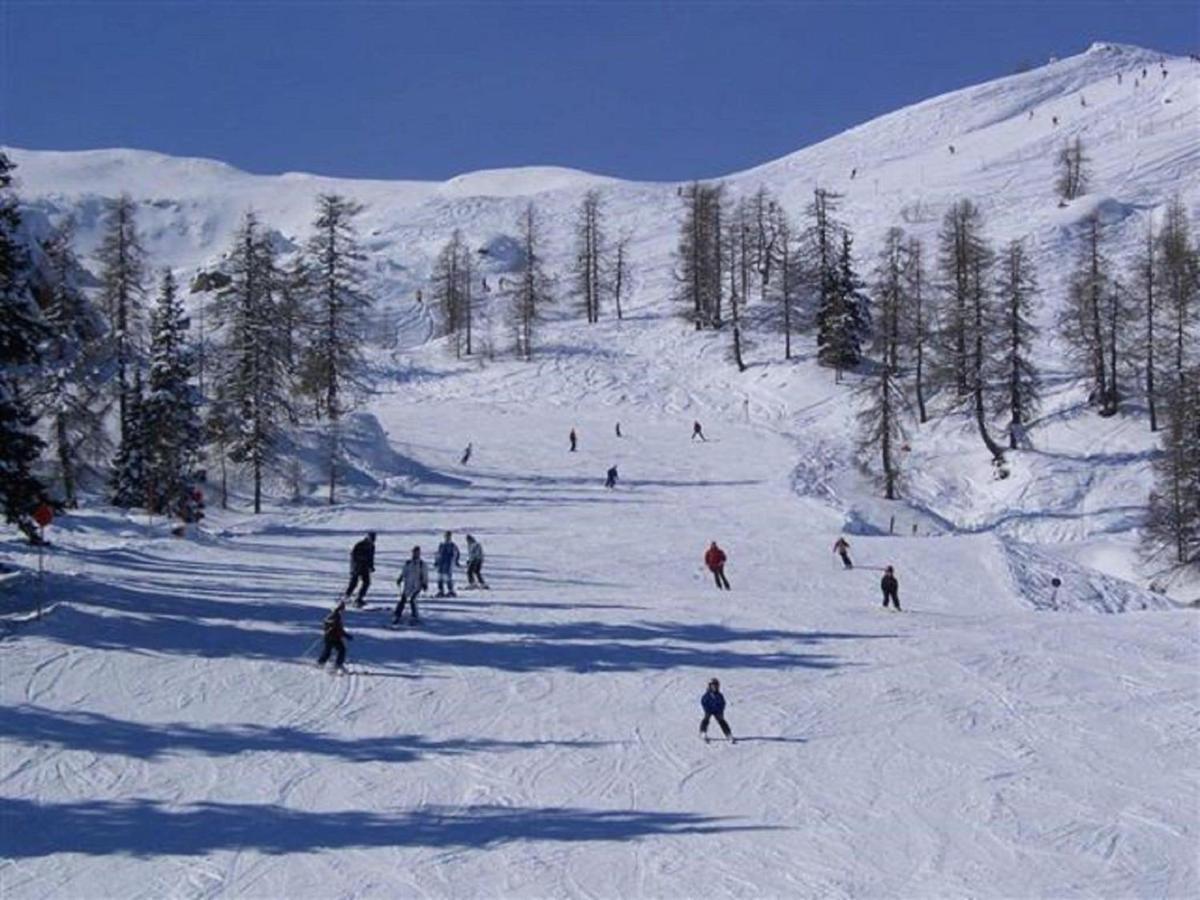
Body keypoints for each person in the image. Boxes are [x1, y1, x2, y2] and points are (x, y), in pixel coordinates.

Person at [394, 546, 428, 625]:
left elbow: (425, 575)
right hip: (408, 585)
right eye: (414, 552)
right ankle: (397, 615)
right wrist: (400, 578)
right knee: (403, 599)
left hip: (417, 585)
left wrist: (425, 584)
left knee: (413, 600)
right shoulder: (408, 563)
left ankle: (415, 616)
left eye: (417, 552)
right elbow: (404, 572)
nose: (415, 554)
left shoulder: (421, 564)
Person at [317, 600, 352, 671]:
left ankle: (324, 663)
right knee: (332, 651)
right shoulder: (334, 615)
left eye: (343, 608)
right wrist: (330, 626)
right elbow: (327, 623)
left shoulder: (337, 615)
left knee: (338, 650)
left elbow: (339, 628)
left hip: (335, 637)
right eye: (342, 608)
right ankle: (323, 663)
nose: (343, 610)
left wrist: (345, 635)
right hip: (331, 637)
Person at [344, 531, 376, 607]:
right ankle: (346, 597)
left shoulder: (372, 546)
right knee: (354, 583)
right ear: (368, 538)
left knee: (367, 582)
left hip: (365, 567)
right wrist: (358, 562)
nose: (373, 540)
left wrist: (371, 566)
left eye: (374, 538)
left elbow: (371, 557)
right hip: (357, 567)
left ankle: (359, 598)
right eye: (371, 538)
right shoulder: (360, 544)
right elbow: (353, 555)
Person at [700, 678, 734, 742]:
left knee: (722, 721)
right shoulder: (707, 695)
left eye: (716, 685)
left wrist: (721, 710)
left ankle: (728, 734)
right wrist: (706, 709)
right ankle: (703, 732)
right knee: (706, 719)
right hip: (709, 710)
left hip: (717, 711)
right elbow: (703, 702)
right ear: (710, 686)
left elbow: (723, 703)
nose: (714, 687)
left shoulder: (719, 695)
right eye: (713, 685)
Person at [435, 531, 461, 597]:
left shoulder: (452, 545)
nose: (447, 537)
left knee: (448, 577)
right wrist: (436, 561)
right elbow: (438, 554)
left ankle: (451, 590)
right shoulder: (441, 545)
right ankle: (440, 590)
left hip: (448, 563)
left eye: (448, 536)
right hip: (441, 563)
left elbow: (457, 553)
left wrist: (456, 561)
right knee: (440, 577)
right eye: (446, 536)